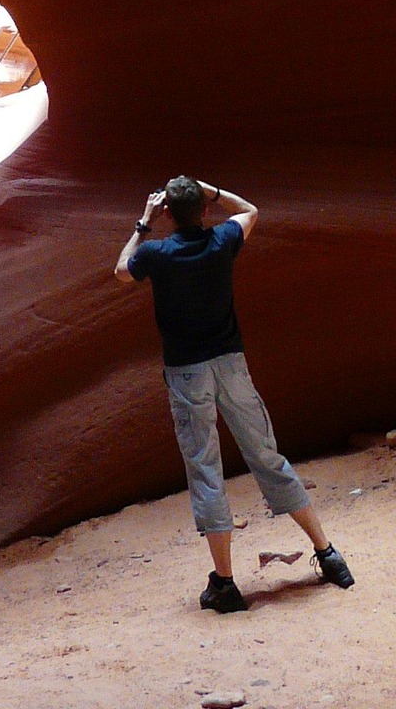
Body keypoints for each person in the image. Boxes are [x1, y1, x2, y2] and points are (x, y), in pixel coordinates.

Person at [115, 174, 355, 612]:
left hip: (188, 375)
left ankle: (225, 583)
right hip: (231, 366)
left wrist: (144, 222)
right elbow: (250, 211)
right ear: (204, 210)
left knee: (206, 469)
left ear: (168, 213)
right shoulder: (223, 240)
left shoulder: (157, 252)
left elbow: (120, 271)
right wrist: (212, 190)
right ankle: (328, 554)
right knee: (266, 455)